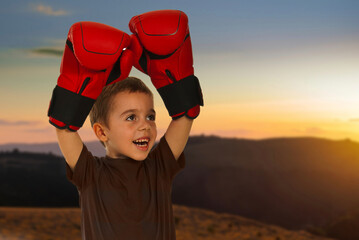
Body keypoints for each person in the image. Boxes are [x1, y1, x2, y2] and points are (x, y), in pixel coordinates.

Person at [47, 9, 203, 240]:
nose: (145, 126)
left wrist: (178, 84)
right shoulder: (90, 173)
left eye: (150, 116)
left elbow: (185, 115)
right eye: (131, 117)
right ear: (102, 132)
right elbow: (64, 126)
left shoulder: (159, 167)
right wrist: (74, 95)